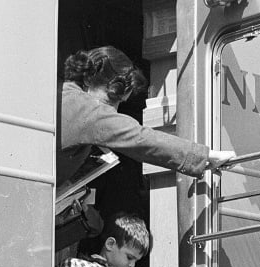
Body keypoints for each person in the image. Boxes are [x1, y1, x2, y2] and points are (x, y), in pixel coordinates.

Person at [58, 46, 234, 187]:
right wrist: (204, 155)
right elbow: (140, 139)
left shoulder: (62, 93)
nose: (114, 110)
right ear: (88, 80)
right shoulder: (86, 109)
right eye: (111, 98)